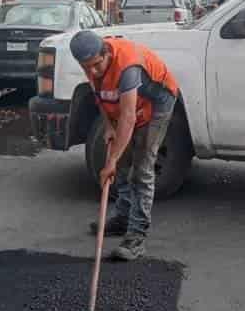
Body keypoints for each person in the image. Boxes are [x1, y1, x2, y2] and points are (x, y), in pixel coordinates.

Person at [71, 29, 179, 261]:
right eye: (86, 67)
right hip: (129, 103)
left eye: (96, 65)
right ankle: (122, 217)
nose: (92, 71)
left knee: (141, 168)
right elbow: (100, 94)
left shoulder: (128, 67)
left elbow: (129, 117)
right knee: (121, 161)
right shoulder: (91, 62)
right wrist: (109, 125)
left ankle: (136, 237)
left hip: (156, 103)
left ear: (106, 53)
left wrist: (109, 161)